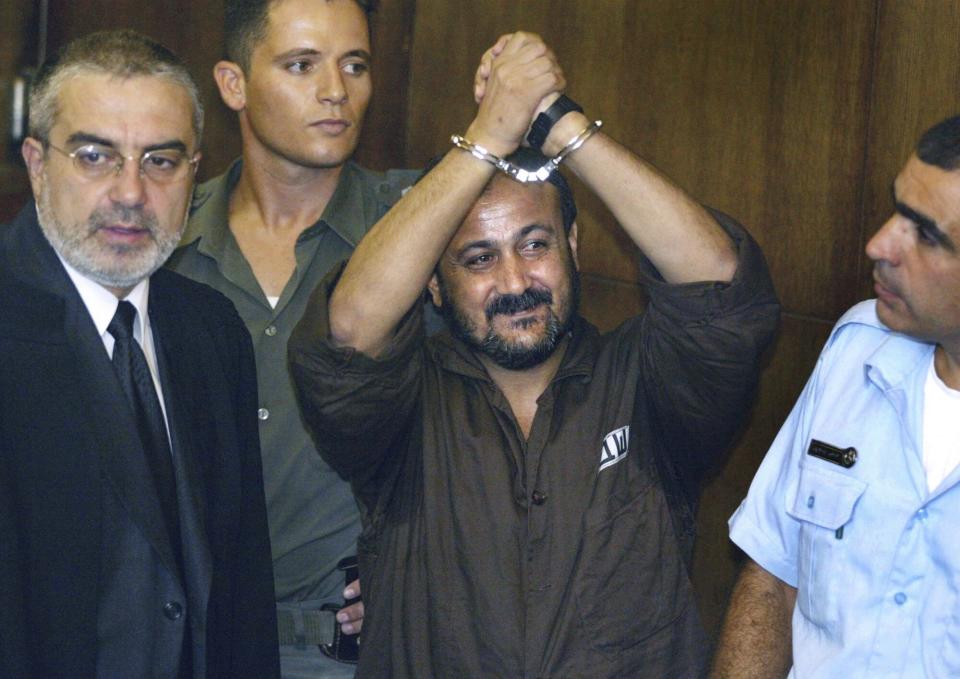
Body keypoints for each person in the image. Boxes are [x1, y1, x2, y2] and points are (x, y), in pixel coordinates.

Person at [287, 31, 779, 677]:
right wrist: (487, 136)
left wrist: (557, 123)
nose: (515, 282)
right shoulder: (402, 403)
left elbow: (720, 286)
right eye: (478, 258)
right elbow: (348, 335)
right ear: (431, 283)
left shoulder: (648, 381)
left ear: (573, 244)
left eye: (536, 243)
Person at [0, 30, 279, 678]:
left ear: (195, 170)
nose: (131, 192)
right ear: (38, 163)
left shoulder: (212, 330)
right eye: (96, 156)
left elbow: (242, 591)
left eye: (161, 161)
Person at [165, 0, 420, 674]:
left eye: (355, 65)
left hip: (356, 650)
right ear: (233, 84)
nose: (336, 90)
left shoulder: (414, 235)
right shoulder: (164, 244)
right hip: (193, 643)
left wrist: (430, 550)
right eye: (302, 64)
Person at [712, 115, 960, 678]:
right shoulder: (859, 344)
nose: (879, 244)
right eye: (897, 209)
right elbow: (772, 575)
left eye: (925, 234)